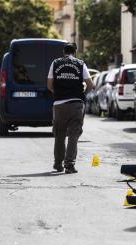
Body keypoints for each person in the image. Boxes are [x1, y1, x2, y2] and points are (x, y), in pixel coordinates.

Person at [47, 43, 93, 174]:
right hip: (76, 104)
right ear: (75, 52)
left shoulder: (55, 63)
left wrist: (59, 93)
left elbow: (49, 85)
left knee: (59, 134)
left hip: (59, 104)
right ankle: (69, 165)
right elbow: (90, 84)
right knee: (74, 134)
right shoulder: (80, 64)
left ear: (64, 52)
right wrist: (82, 95)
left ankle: (57, 164)